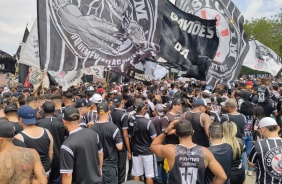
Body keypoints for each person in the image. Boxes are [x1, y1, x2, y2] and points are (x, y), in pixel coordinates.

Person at [150, 119, 227, 184]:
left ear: (176, 133)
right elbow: (222, 176)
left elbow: (153, 146)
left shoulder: (170, 150)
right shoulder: (205, 152)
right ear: (192, 132)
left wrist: (166, 131)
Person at [60, 106, 103, 183]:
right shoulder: (93, 134)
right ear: (79, 119)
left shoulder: (67, 146)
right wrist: (100, 170)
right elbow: (100, 153)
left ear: (64, 121)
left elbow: (67, 175)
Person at [14, 105, 54, 177]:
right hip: (46, 171)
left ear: (20, 119)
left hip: (31, 175)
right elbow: (50, 153)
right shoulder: (46, 132)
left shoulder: (18, 138)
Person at [91, 102, 123, 184]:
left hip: (96, 166)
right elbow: (119, 147)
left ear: (97, 113)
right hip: (110, 166)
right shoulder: (113, 128)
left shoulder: (92, 128)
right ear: (109, 112)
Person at [36, 101, 66, 184]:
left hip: (44, 158)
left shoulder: (38, 123)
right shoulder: (60, 124)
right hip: (58, 156)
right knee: (56, 180)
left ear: (43, 111)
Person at [130, 101, 157, 184]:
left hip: (135, 151)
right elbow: (154, 139)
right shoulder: (148, 122)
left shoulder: (131, 121)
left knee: (136, 174)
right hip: (147, 152)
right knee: (149, 175)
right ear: (142, 110)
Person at [248, 117, 282, 183]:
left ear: (262, 129)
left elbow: (250, 164)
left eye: (259, 130)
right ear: (278, 128)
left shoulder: (258, 145)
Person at [111, 94, 131, 184]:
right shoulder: (124, 115)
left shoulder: (110, 113)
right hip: (122, 145)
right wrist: (129, 150)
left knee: (115, 167)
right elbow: (125, 134)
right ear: (122, 101)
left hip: (112, 145)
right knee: (123, 170)